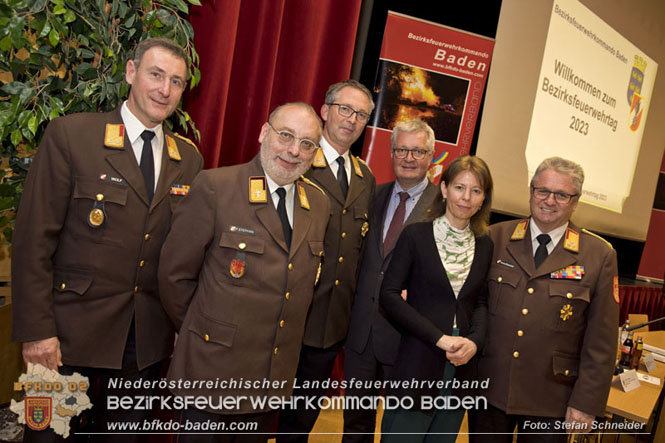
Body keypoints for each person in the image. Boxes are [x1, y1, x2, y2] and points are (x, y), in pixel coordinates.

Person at [11, 37, 203, 441]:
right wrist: (35, 331)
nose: (164, 90)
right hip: (64, 333)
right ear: (131, 73)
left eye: (176, 82)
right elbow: (33, 241)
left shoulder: (188, 160)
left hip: (143, 341)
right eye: (155, 75)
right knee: (46, 434)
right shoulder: (72, 136)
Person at [158, 102, 330, 442]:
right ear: (264, 133)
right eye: (286, 136)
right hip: (213, 371)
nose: (294, 151)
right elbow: (174, 276)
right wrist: (205, 331)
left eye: (307, 143)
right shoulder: (216, 187)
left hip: (269, 379)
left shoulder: (319, 204)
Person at [469, 157, 619, 442]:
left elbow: (601, 342)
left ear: (575, 201)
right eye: (542, 191)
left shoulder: (598, 256)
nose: (549, 201)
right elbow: (475, 305)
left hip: (552, 401)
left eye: (561, 195)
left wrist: (585, 404)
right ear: (531, 192)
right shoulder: (496, 237)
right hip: (490, 389)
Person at [277, 80, 376, 441]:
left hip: (329, 324)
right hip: (285, 316)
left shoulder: (365, 177)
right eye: (344, 109)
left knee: (299, 424)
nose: (351, 120)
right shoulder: (296, 159)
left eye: (361, 114)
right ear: (325, 110)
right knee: (256, 417)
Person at [379, 155, 494, 442]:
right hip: (418, 362)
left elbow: (480, 301)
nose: (466, 198)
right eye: (459, 187)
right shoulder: (415, 236)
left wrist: (475, 342)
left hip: (461, 367)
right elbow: (389, 296)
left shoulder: (485, 244)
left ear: (483, 199)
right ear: (443, 189)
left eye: (476, 191)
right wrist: (438, 338)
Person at [343, 119, 440, 441]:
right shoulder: (372, 196)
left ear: (432, 156)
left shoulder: (443, 208)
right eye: (401, 150)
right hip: (362, 335)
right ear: (392, 153)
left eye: (418, 151)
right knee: (355, 425)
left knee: (400, 431)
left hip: (409, 339)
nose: (409, 158)